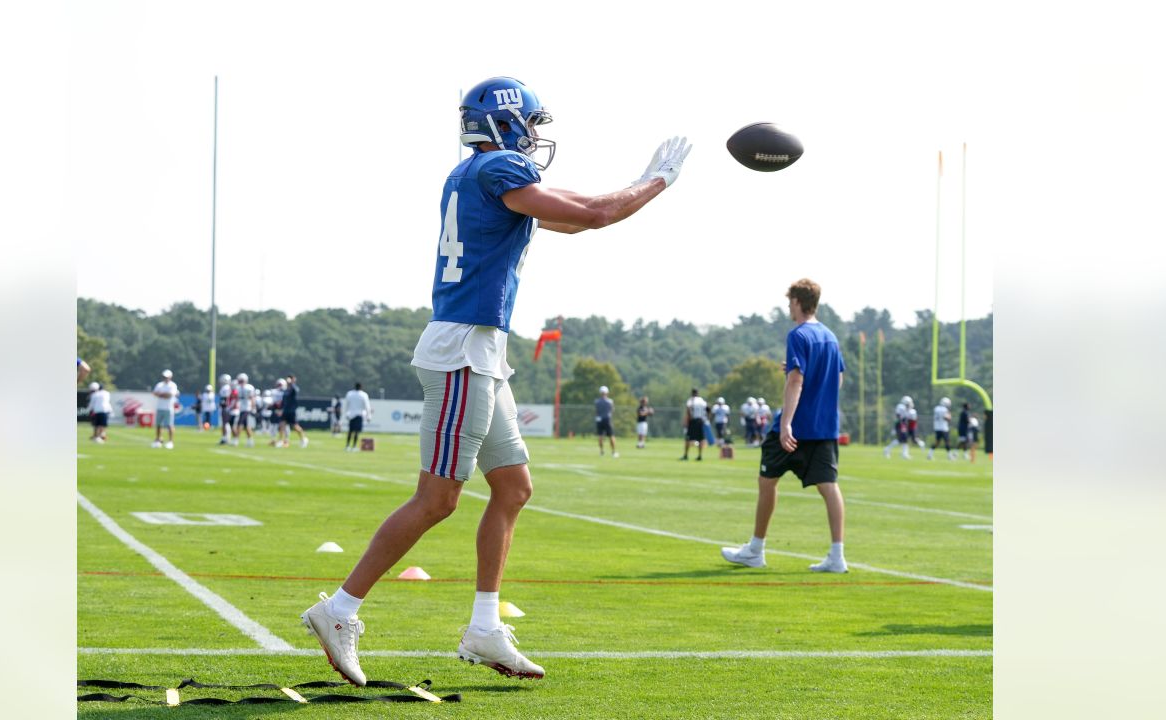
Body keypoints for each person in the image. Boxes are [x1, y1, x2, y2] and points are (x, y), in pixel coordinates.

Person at [300, 76, 691, 687]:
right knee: (438, 500)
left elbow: (572, 211)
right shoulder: (498, 170)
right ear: (506, 124)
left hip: (479, 349)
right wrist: (658, 180)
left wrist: (629, 188)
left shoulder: (476, 175)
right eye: (530, 123)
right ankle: (340, 609)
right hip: (462, 350)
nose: (535, 136)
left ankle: (484, 627)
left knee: (512, 487)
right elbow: (592, 215)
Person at [721, 279, 848, 573]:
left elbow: (796, 380)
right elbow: (837, 380)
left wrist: (787, 424)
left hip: (796, 426)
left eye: (790, 302)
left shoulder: (798, 334)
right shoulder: (830, 336)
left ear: (797, 302)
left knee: (767, 482)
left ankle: (755, 549)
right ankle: (837, 556)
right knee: (829, 487)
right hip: (825, 427)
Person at [277, 374, 308, 448]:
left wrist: (292, 383)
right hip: (285, 411)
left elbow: (296, 390)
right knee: (281, 425)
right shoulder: (286, 390)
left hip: (291, 411)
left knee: (295, 426)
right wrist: (281, 410)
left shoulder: (293, 389)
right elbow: (283, 401)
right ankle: (281, 441)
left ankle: (303, 438)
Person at [151, 369, 179, 449]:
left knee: (169, 425)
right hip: (160, 407)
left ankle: (170, 441)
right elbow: (155, 393)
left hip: (168, 408)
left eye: (167, 377)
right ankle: (158, 440)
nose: (165, 378)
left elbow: (170, 395)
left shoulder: (173, 385)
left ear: (170, 377)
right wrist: (163, 394)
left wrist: (161, 394)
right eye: (164, 377)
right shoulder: (159, 384)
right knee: (158, 425)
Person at [343, 382, 372, 452]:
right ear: (361, 387)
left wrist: (346, 413)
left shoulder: (350, 394)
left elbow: (346, 404)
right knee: (356, 432)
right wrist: (369, 416)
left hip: (351, 414)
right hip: (359, 414)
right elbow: (367, 406)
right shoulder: (364, 395)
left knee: (350, 431)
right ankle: (354, 446)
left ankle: (347, 446)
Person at [681, 388, 708, 461]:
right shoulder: (702, 401)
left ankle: (686, 455)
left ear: (692, 393)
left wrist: (688, 419)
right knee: (700, 439)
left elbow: (688, 409)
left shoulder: (691, 400)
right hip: (701, 420)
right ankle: (700, 455)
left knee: (688, 438)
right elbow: (708, 409)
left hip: (693, 421)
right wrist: (705, 418)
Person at [883, 395, 912, 459]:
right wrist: (896, 427)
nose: (909, 404)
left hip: (903, 424)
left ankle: (903, 453)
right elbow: (899, 417)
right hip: (900, 424)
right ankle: (903, 453)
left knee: (903, 439)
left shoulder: (906, 408)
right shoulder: (901, 407)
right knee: (903, 439)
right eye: (908, 403)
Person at [595, 385, 619, 457]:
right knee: (611, 436)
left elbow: (596, 411)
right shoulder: (610, 401)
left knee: (600, 436)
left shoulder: (597, 402)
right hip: (607, 419)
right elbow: (612, 410)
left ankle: (601, 452)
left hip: (599, 419)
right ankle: (613, 452)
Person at [234, 373, 256, 446]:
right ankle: (250, 441)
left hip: (247, 407)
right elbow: (237, 398)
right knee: (246, 426)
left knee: (240, 423)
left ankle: (236, 439)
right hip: (242, 407)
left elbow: (252, 398)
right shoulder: (238, 388)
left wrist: (253, 407)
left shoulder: (249, 387)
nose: (241, 382)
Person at [217, 374, 236, 444]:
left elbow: (225, 399)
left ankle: (225, 438)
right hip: (227, 408)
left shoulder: (225, 388)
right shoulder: (228, 387)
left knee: (225, 423)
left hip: (225, 408)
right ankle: (227, 438)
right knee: (227, 424)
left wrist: (222, 405)